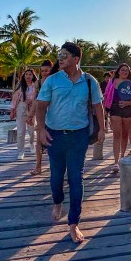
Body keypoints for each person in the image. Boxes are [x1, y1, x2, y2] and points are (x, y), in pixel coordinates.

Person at [36, 42, 105, 243]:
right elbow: (41, 107)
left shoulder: (90, 82)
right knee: (56, 177)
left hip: (79, 136)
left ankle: (74, 223)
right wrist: (40, 129)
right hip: (54, 135)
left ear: (76, 59)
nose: (60, 58)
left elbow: (98, 106)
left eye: (64, 55)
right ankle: (57, 201)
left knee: (76, 178)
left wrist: (102, 129)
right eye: (59, 55)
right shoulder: (52, 80)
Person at [103, 63, 131, 173]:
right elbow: (106, 95)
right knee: (116, 134)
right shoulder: (112, 81)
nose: (124, 72)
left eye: (126, 71)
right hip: (115, 108)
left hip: (128, 109)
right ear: (118, 71)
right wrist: (105, 110)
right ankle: (115, 161)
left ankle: (122, 157)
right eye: (122, 70)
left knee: (125, 134)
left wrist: (129, 102)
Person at [31, 60, 54, 175]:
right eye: (43, 71)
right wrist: (30, 114)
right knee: (39, 142)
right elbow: (35, 101)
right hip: (42, 116)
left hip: (55, 116)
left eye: (47, 70)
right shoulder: (38, 83)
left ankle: (54, 166)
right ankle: (38, 166)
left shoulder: (56, 82)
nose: (45, 73)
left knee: (53, 143)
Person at [10, 69, 38, 160]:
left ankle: (31, 144)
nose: (28, 76)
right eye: (26, 74)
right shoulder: (20, 85)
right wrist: (12, 110)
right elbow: (14, 99)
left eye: (30, 74)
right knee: (20, 131)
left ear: (33, 76)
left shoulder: (36, 86)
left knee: (31, 130)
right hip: (21, 108)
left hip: (32, 109)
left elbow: (39, 97)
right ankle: (21, 151)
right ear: (24, 76)